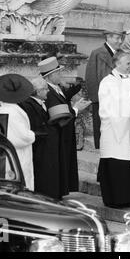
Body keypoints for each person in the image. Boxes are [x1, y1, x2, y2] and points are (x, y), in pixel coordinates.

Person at [97, 51, 130, 208]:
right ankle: (114, 199)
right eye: (127, 63)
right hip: (114, 130)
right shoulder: (108, 82)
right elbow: (112, 106)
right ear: (117, 63)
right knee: (116, 161)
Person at [38, 56, 84, 197]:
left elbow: (65, 98)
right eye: (58, 73)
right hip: (58, 135)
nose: (60, 75)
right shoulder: (49, 92)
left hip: (63, 136)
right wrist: (76, 109)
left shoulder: (56, 88)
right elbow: (59, 115)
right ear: (50, 76)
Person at [18, 76, 62, 199]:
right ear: (38, 92)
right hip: (40, 147)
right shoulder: (29, 105)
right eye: (45, 89)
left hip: (47, 146)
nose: (48, 91)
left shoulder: (40, 103)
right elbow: (36, 125)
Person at [85, 22, 125, 149]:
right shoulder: (96, 53)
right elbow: (91, 78)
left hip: (119, 100)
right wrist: (96, 101)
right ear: (108, 37)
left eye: (121, 38)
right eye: (117, 38)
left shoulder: (122, 54)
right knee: (103, 137)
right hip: (103, 101)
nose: (120, 41)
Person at [0, 73, 35, 190]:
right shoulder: (12, 111)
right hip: (17, 155)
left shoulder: (4, 109)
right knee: (19, 184)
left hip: (9, 153)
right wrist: (32, 135)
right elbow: (23, 137)